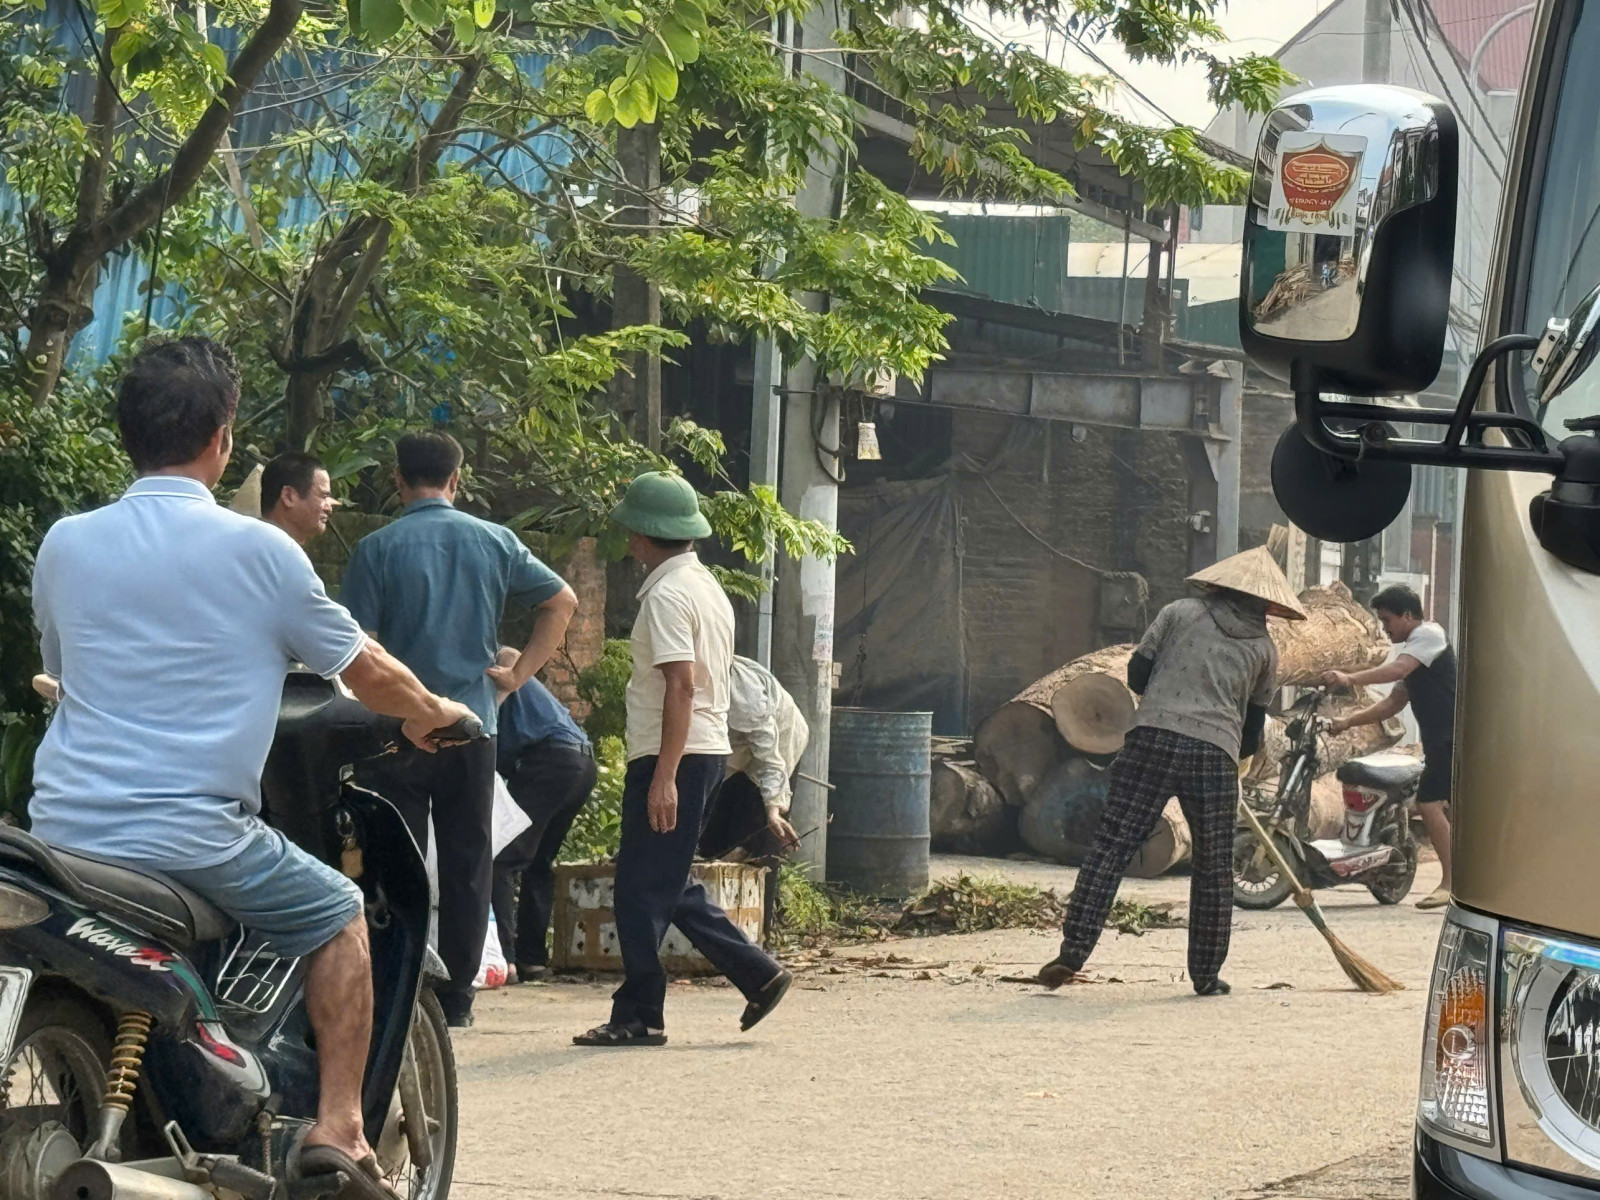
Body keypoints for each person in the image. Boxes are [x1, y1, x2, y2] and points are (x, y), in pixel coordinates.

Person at [29, 337, 473, 1196]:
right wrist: (434, 713)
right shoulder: (261, 552)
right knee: (341, 912)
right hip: (190, 835)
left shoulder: (64, 544)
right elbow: (365, 670)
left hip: (64, 830)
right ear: (224, 438)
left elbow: (65, 671)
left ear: (129, 434)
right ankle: (340, 1128)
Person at [339, 431, 577, 1027]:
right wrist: (519, 674)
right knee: (471, 861)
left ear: (397, 480)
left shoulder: (375, 548)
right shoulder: (495, 541)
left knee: (397, 856)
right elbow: (563, 601)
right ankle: (458, 999)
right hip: (472, 725)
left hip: (395, 726)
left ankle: (399, 982)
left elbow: (354, 645)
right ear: (457, 479)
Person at [574, 472, 791, 1046]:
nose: (628, 543)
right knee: (659, 880)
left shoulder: (668, 596)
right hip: (702, 748)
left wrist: (664, 774)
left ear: (645, 536)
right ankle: (756, 974)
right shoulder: (706, 588)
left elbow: (681, 686)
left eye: (632, 532)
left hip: (677, 750)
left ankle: (640, 1014)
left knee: (642, 886)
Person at [1039, 545, 1306, 996]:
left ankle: (1072, 953)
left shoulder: (1179, 612)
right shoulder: (1264, 649)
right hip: (1215, 755)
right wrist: (1229, 762)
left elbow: (1139, 676)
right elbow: (1252, 731)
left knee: (1111, 848)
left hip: (1153, 741)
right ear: (1267, 604)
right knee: (1213, 866)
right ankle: (1205, 975)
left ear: (1218, 585)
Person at [1323, 583, 1456, 910]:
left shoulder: (1428, 635)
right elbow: (1393, 703)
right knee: (1447, 807)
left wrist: (1350, 679)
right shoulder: (1417, 651)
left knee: (1429, 804)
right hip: (1442, 739)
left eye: (1387, 620)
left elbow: (1397, 670)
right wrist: (1347, 722)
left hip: (1451, 737)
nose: (1385, 628)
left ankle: (1452, 884)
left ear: (1408, 615)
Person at [489, 647, 598, 982]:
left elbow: (509, 655)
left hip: (551, 760)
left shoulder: (490, 663)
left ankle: (504, 960)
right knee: (537, 861)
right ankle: (532, 961)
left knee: (501, 858)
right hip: (579, 763)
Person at [697, 655, 808, 861]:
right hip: (730, 748)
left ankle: (757, 884)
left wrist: (773, 809)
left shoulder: (744, 694)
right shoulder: (677, 680)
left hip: (779, 740)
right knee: (711, 837)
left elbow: (770, 760)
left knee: (754, 837)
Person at [261, 451, 337, 548]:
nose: (329, 509)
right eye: (323, 496)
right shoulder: (276, 551)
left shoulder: (247, 542)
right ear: (288, 496)